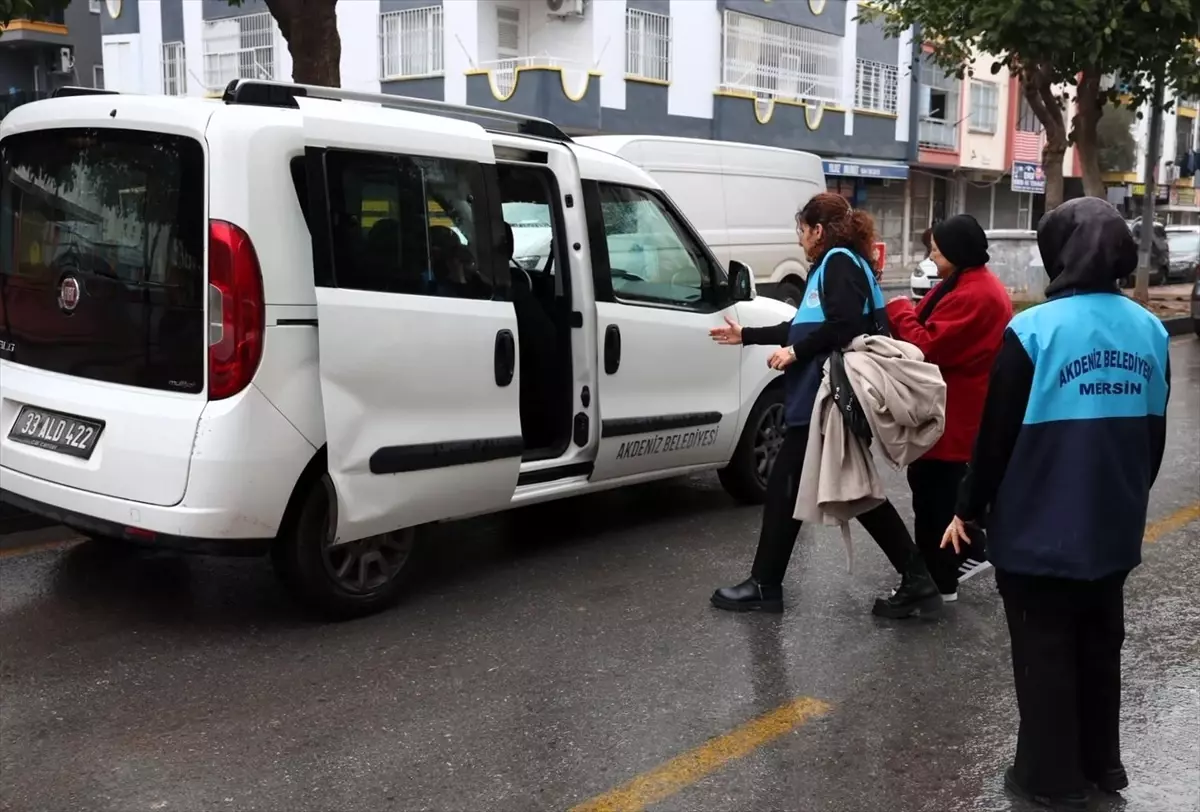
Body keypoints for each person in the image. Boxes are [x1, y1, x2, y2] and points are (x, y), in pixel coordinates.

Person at [943, 198, 1170, 810]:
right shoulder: (1150, 329)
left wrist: (968, 507)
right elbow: (1153, 437)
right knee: (1100, 644)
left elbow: (994, 441)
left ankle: (1050, 778)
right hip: (1112, 523)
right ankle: (1103, 766)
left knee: (1044, 649)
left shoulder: (1034, 331)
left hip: (1039, 526)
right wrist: (1122, 500)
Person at [709, 192, 942, 617]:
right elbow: (803, 327)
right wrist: (747, 336)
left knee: (797, 486)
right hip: (817, 396)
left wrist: (794, 355)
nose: (799, 240)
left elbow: (844, 326)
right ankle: (915, 578)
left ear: (818, 230)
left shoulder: (836, 263)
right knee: (826, 489)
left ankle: (766, 585)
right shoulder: (838, 263)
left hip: (823, 397)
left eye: (801, 230)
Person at [885, 215, 1012, 601]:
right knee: (939, 494)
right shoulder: (970, 282)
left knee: (935, 501)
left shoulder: (976, 293)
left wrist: (898, 309)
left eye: (937, 251)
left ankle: (941, 580)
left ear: (957, 253)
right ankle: (961, 558)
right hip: (954, 411)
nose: (932, 258)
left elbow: (928, 345)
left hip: (954, 415)